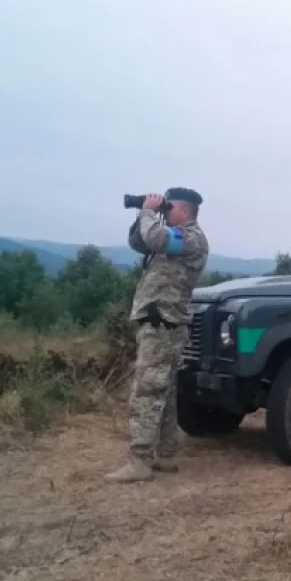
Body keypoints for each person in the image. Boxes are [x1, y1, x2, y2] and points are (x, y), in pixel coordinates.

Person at [104, 187, 209, 483]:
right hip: (164, 323)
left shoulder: (191, 237)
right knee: (164, 391)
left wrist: (150, 212)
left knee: (147, 391)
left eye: (169, 206)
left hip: (163, 323)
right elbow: (140, 242)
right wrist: (143, 212)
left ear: (185, 211)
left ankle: (140, 461)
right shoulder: (175, 237)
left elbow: (155, 238)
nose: (165, 210)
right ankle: (165, 455)